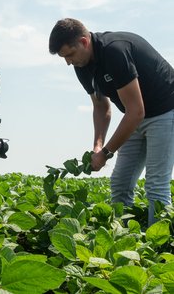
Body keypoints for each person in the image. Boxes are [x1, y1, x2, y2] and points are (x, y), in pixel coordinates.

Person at [49, 18, 174, 226]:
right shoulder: (82, 65)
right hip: (135, 114)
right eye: (64, 58)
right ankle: (123, 240)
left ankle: (159, 250)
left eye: (69, 55)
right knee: (120, 182)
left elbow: (136, 112)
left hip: (165, 110)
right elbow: (101, 107)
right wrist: (98, 145)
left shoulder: (115, 51)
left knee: (155, 185)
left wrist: (106, 153)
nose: (68, 62)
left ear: (84, 42)